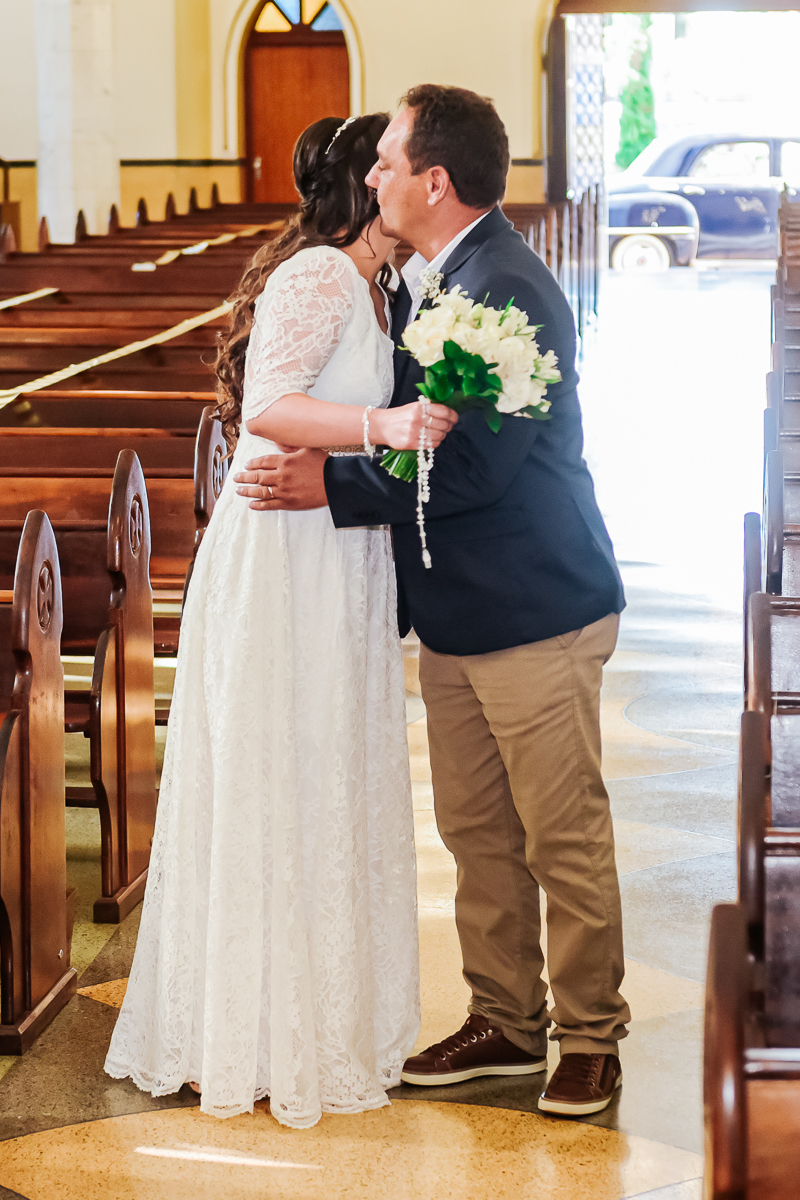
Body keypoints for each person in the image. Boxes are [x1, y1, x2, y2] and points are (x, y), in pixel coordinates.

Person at [234, 85, 631, 1118]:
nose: (372, 174)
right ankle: (505, 1018)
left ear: (435, 181)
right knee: (478, 833)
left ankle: (590, 1037)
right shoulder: (431, 279)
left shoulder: (504, 289)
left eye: (389, 160)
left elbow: (474, 473)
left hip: (534, 608)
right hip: (457, 611)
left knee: (560, 834)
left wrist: (330, 486)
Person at [104, 113, 457, 1129]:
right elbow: (268, 404)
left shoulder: (381, 287)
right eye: (386, 166)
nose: (400, 181)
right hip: (284, 554)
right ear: (365, 186)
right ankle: (247, 1031)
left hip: (338, 552)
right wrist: (382, 426)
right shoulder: (317, 275)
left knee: (328, 769)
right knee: (278, 765)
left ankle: (323, 1017)